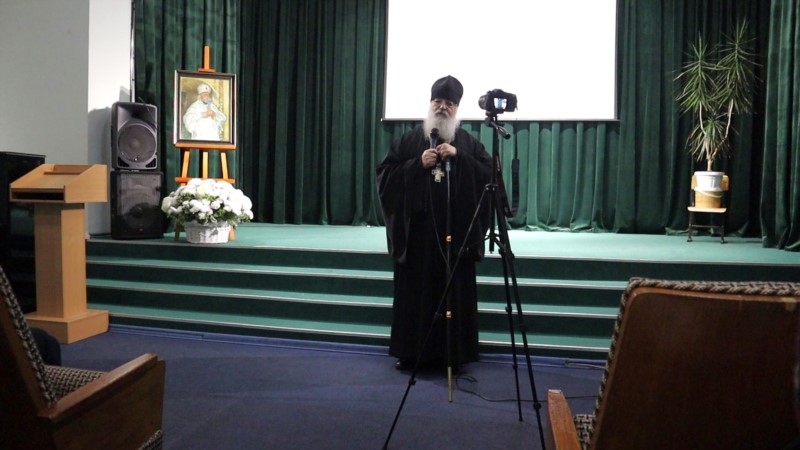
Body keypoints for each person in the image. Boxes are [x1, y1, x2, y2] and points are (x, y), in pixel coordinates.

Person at [376, 75, 493, 371]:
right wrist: (416, 165)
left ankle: (453, 355)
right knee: (416, 296)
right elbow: (384, 178)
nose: (442, 107)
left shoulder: (468, 144)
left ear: (457, 109)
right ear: (430, 104)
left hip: (456, 238)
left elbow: (490, 177)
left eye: (449, 103)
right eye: (437, 101)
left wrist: (460, 157)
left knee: (453, 293)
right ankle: (411, 352)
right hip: (418, 239)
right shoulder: (409, 142)